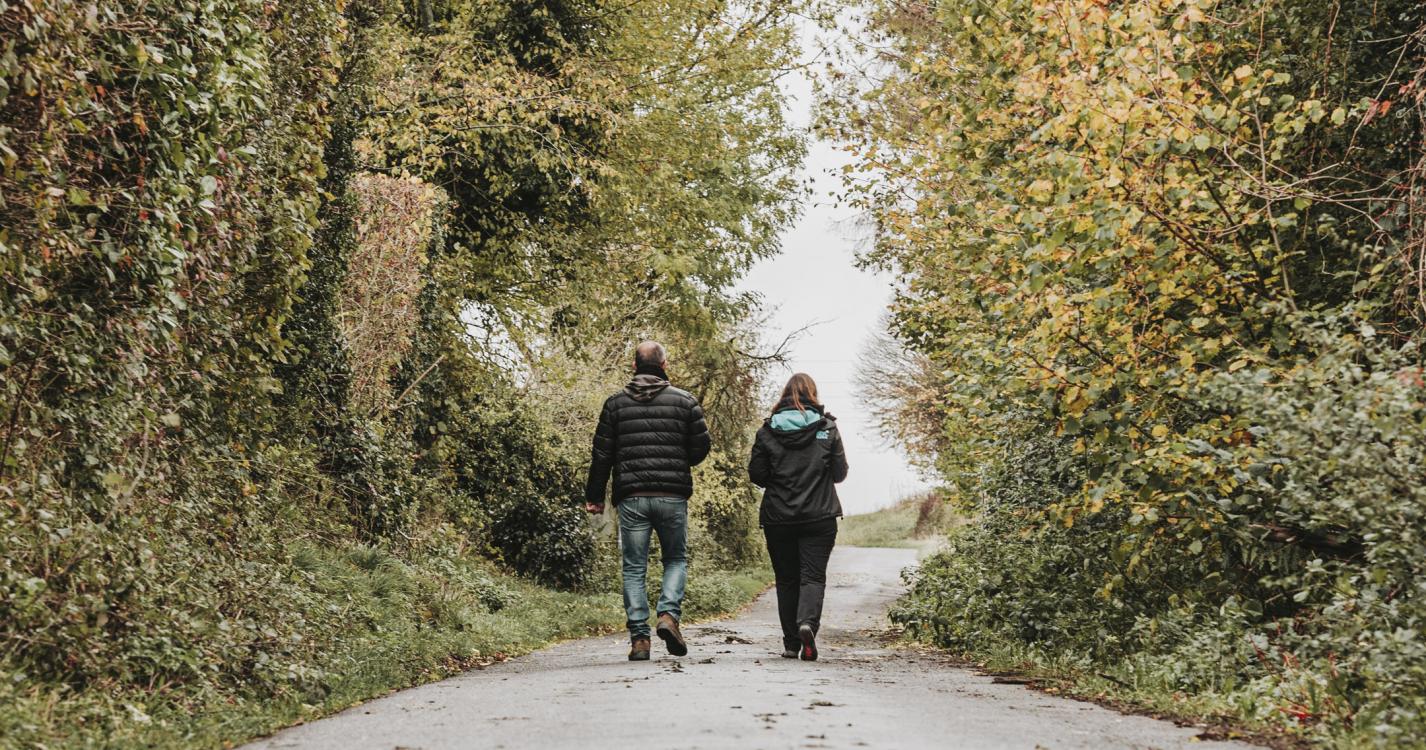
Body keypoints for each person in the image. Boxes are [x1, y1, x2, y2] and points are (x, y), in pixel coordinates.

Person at [585, 341, 711, 661]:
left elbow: (602, 454)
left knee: (633, 568)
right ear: (664, 365)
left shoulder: (615, 405)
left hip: (632, 497)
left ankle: (640, 640)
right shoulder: (685, 402)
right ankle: (668, 615)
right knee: (675, 559)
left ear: (634, 366)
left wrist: (595, 497)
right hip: (672, 495)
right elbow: (700, 448)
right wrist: (677, 459)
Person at [747, 373, 848, 661]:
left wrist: (780, 475)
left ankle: (792, 644)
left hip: (779, 517)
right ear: (813, 395)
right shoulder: (827, 428)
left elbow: (757, 474)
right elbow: (840, 473)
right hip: (819, 516)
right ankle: (807, 625)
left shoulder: (767, 431)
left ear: (784, 395)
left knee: (786, 580)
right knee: (812, 577)